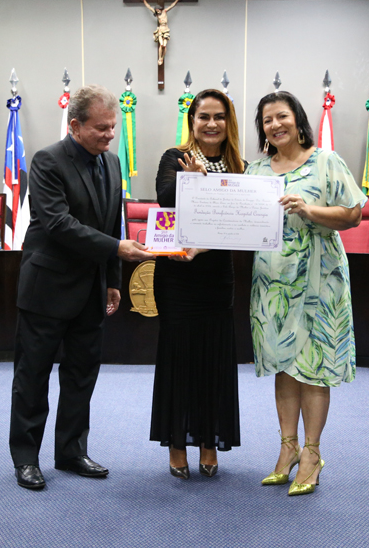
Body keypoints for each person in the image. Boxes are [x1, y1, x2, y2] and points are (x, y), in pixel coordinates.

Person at [9, 85, 154, 491]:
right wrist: (117, 249)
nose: (110, 134)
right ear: (75, 125)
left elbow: (111, 223)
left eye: (113, 127)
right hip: (47, 289)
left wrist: (113, 280)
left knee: (81, 376)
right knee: (33, 376)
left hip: (91, 289)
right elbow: (58, 224)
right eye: (101, 128)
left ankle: (71, 451)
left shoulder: (112, 163)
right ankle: (26, 458)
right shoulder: (47, 161)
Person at [245, 91, 365, 496]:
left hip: (319, 277)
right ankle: (288, 448)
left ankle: (312, 453)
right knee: (283, 364)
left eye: (282, 116)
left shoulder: (326, 161)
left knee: (313, 366)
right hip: (272, 282)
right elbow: (238, 221)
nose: (275, 125)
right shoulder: (256, 171)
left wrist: (309, 210)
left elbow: (353, 214)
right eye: (267, 120)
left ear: (297, 120)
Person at [150, 88, 244, 479]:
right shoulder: (175, 157)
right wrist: (190, 182)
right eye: (203, 116)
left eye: (219, 116)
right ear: (192, 121)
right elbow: (165, 198)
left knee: (213, 361)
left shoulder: (240, 167)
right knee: (179, 358)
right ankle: (176, 444)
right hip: (178, 277)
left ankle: (209, 443)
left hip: (216, 277)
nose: (211, 123)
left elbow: (241, 221)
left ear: (228, 121)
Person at [142, 0, 181, 65]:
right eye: (156, 10)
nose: (157, 11)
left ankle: (162, 58)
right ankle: (159, 58)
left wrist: (177, 0)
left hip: (166, 29)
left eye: (158, 9)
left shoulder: (164, 11)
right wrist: (144, 1)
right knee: (161, 44)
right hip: (160, 29)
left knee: (164, 46)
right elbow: (149, 7)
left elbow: (172, 6)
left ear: (159, 9)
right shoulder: (157, 15)